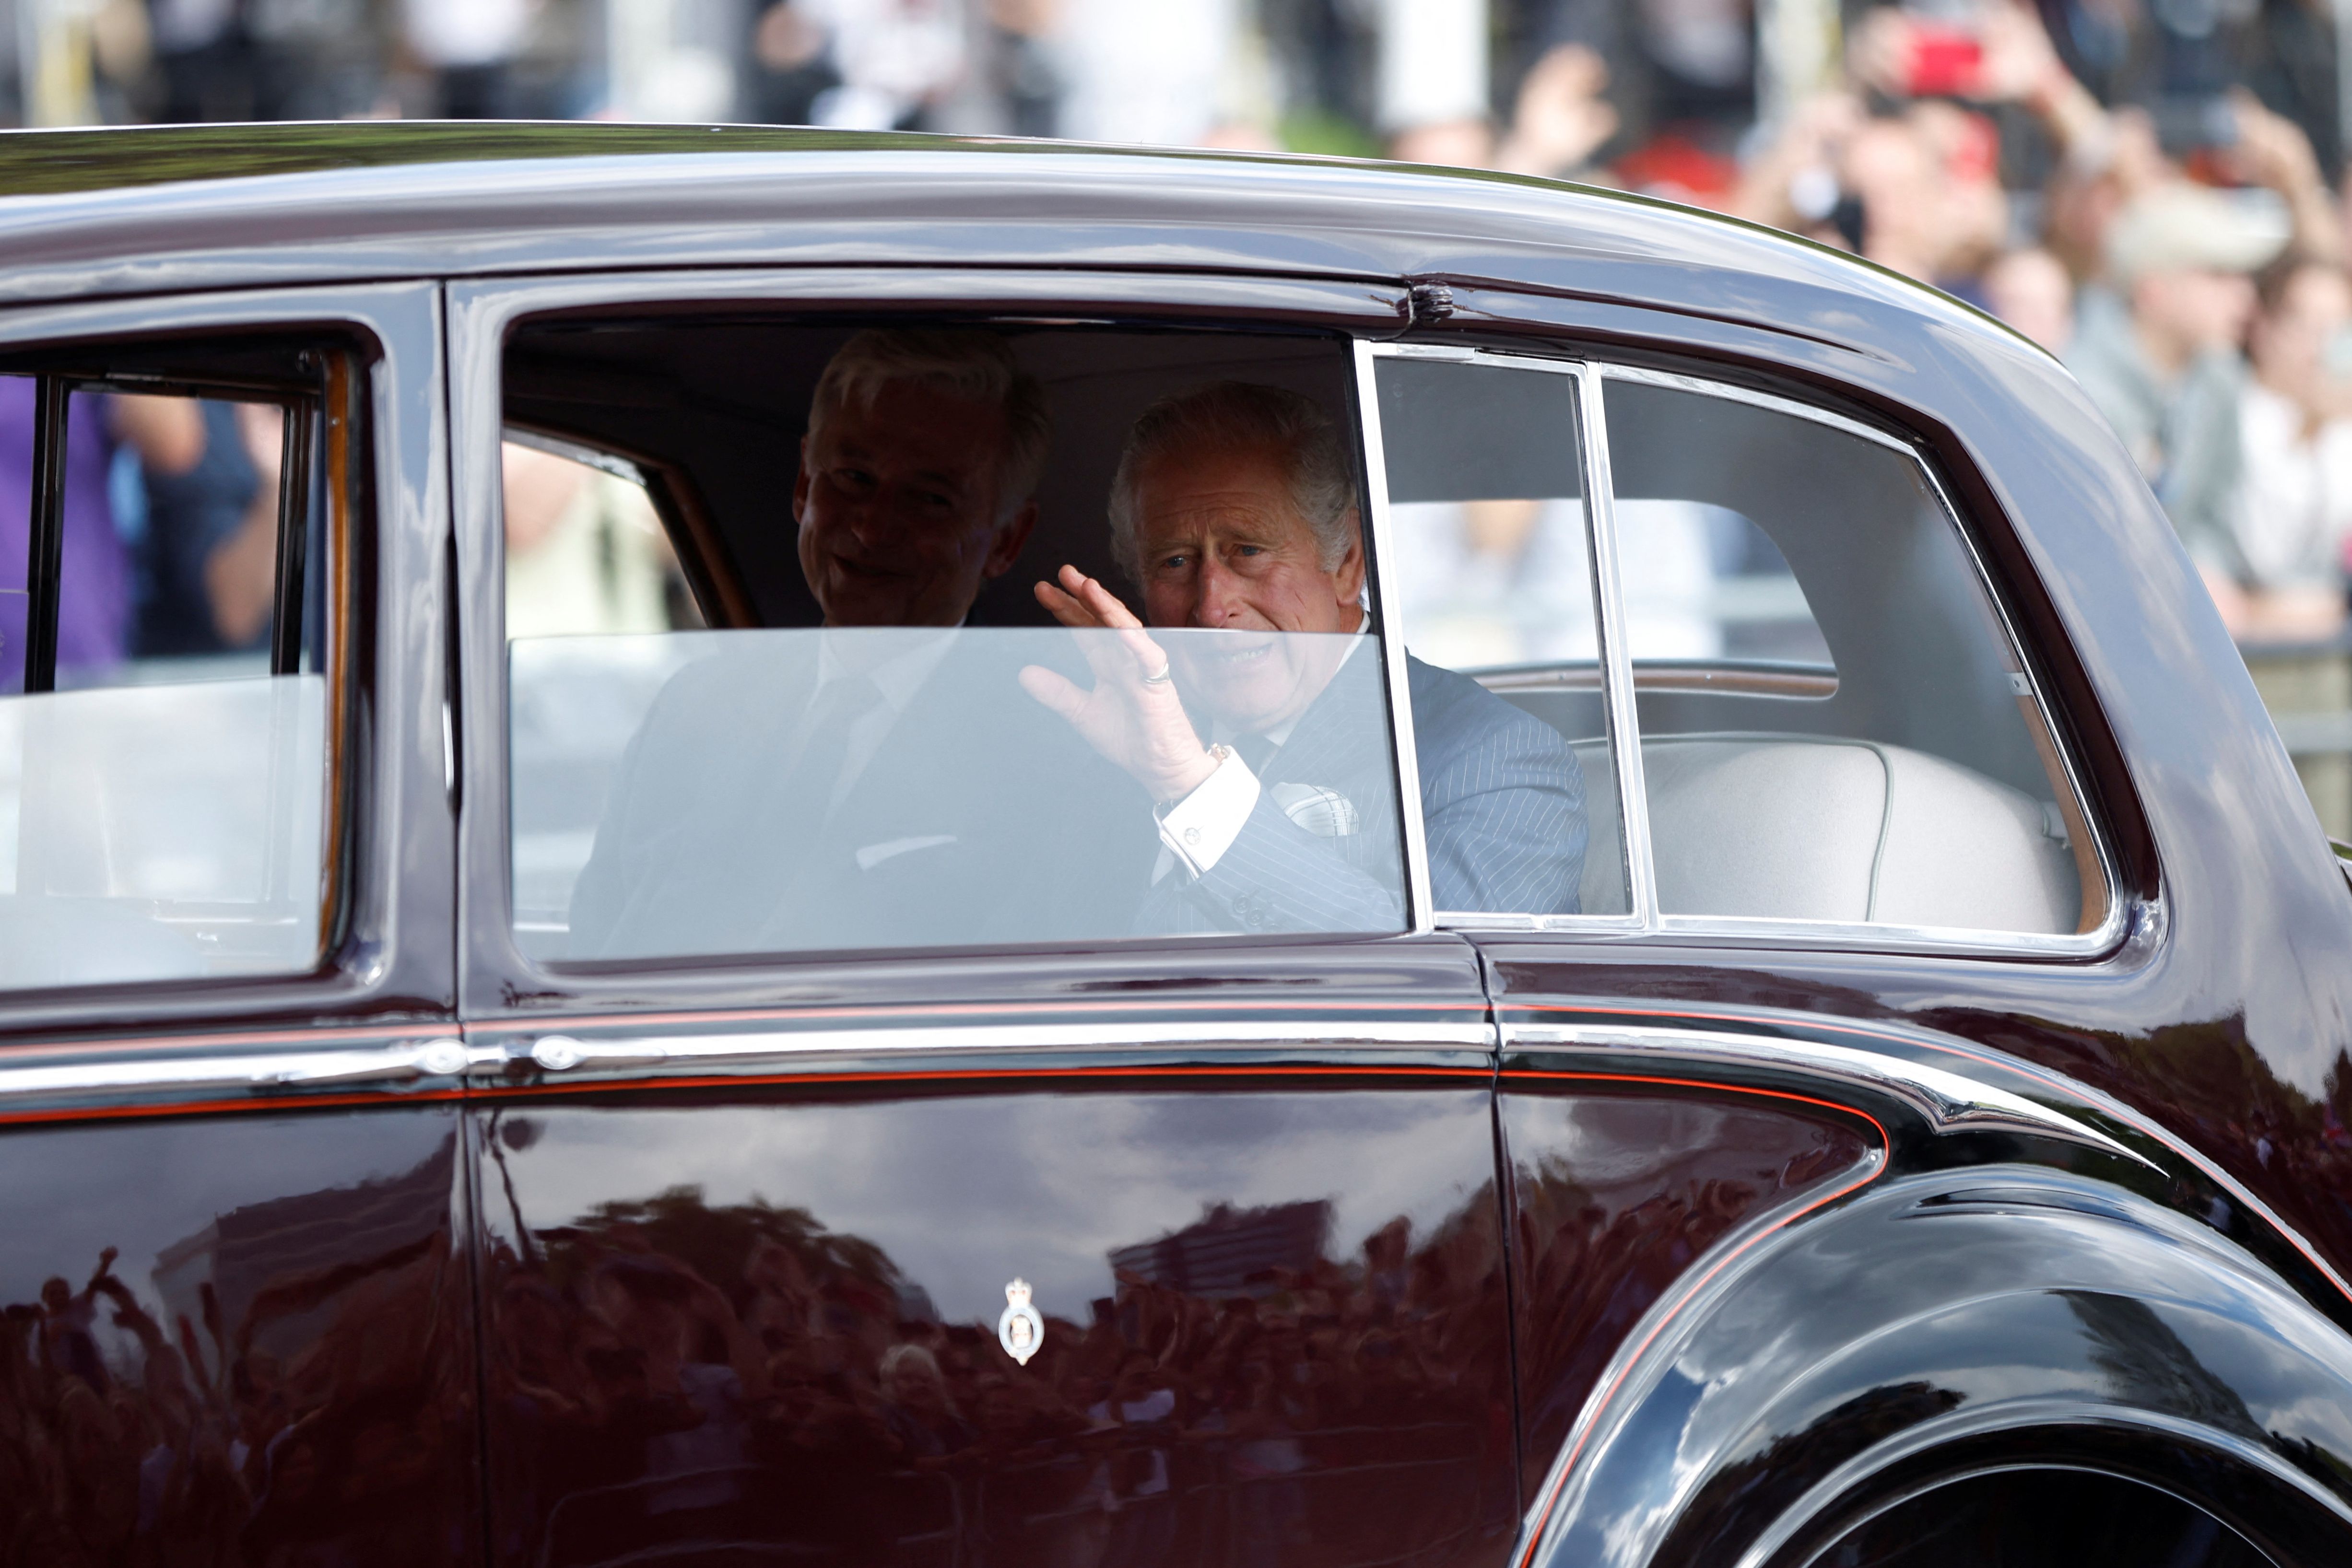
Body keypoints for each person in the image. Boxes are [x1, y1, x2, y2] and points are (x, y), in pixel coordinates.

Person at [566, 328, 1107, 960]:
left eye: (930, 498)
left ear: (1005, 540)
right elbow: (593, 949)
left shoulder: (1054, 756)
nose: (874, 525)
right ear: (804, 485)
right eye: (852, 477)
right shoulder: (691, 707)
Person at [1023, 382, 1587, 934]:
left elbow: (1433, 998)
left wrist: (1194, 789)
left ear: (1346, 563)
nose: (1213, 607)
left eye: (1247, 551)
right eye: (1174, 562)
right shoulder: (1109, 751)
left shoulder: (1493, 760)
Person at [2067, 182, 2286, 589]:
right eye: (2218, 274)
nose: (2245, 296)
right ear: (2154, 290)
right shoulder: (2076, 390)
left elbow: (2217, 510)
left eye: (2245, 277)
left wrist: (2209, 570)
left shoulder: (2219, 380)